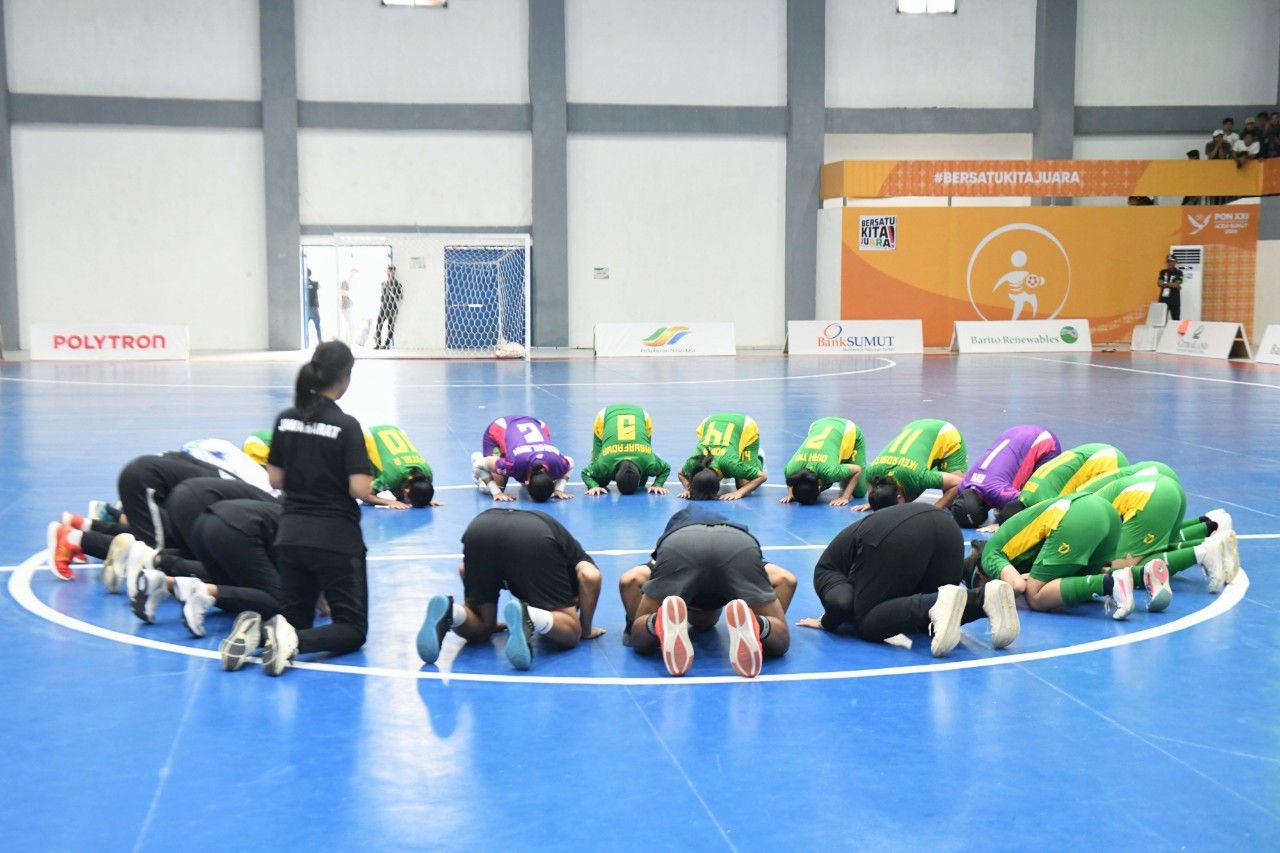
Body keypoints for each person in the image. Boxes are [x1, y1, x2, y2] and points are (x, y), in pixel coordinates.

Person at [217, 341, 372, 676]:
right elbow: (359, 489)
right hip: (335, 539)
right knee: (352, 629)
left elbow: (275, 478)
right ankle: (294, 642)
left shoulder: (285, 419)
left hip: (289, 536)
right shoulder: (346, 426)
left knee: (294, 619)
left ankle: (258, 633)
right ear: (345, 377)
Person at [797, 498, 1019, 657]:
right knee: (932, 618)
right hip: (946, 527)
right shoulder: (853, 558)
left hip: (899, 536)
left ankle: (939, 601)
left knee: (868, 622)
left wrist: (826, 622)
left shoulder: (825, 569)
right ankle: (984, 598)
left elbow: (841, 602)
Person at [415, 508, 604, 670]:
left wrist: (478, 601)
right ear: (577, 597)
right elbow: (591, 576)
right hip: (532, 536)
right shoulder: (573, 562)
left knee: (483, 629)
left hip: (481, 527)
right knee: (571, 633)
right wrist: (585, 629)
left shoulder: (559, 560)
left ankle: (452, 613)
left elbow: (464, 569)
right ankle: (530, 617)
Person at [621, 505, 794, 678]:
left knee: (640, 641)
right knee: (779, 644)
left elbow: (630, 580)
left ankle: (657, 621)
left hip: (681, 544)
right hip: (738, 542)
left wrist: (633, 626)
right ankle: (758, 624)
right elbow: (786, 579)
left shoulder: (669, 548)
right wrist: (770, 618)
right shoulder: (732, 542)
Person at [128, 498, 286, 641]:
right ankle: (203, 591)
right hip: (235, 530)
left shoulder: (286, 511)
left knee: (236, 588)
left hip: (205, 521)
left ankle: (165, 583)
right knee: (281, 603)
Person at [978, 492, 1136, 619]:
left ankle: (1111, 583)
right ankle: (1141, 574)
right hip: (1105, 510)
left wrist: (988, 602)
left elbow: (1017, 585)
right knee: (1072, 582)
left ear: (979, 574)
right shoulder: (1007, 545)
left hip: (1079, 517)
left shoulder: (989, 555)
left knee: (1035, 596)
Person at [244, 424, 439, 508]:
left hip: (391, 432)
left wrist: (420, 499)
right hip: (257, 448)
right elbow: (363, 495)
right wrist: (390, 502)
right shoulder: (393, 475)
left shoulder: (425, 473)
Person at [951, 424, 1060, 528]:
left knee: (1040, 493)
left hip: (1045, 441)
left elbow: (1030, 500)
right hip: (1015, 432)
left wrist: (1000, 524)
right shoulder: (963, 485)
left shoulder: (997, 492)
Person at [994, 442, 1128, 523]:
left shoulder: (1041, 504)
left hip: (1106, 462)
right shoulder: (1027, 494)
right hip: (1099, 453)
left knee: (1094, 508)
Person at [851, 418, 967, 511]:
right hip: (914, 427)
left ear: (899, 497)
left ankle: (940, 474)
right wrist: (874, 502)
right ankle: (939, 473)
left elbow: (959, 482)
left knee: (954, 502)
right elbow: (868, 476)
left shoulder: (918, 477)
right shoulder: (874, 471)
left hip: (945, 433)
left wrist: (935, 509)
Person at [472, 415, 574, 502]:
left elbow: (571, 462)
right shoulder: (512, 465)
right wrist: (496, 492)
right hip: (501, 427)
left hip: (538, 425)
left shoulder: (557, 464)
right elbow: (478, 466)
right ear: (527, 482)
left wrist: (558, 489)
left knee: (540, 485)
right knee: (495, 487)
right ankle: (477, 457)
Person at [581, 404, 671, 496]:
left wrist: (658, 484)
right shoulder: (605, 463)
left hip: (642, 416)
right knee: (601, 481)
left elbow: (666, 468)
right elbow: (585, 473)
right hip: (605, 417)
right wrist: (594, 486)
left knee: (642, 483)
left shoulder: (648, 461)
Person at [677, 412, 767, 500]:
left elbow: (762, 476)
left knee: (743, 484)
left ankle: (759, 459)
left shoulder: (730, 464)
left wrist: (739, 492)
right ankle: (735, 464)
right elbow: (680, 473)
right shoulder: (693, 462)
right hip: (708, 422)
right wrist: (689, 489)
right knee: (732, 466)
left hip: (745, 425)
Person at [780, 417, 867, 507]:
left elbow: (857, 470)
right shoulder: (791, 470)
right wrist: (791, 494)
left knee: (859, 492)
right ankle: (841, 466)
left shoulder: (830, 472)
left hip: (847, 429)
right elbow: (789, 478)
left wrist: (845, 497)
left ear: (819, 485)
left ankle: (846, 466)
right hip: (818, 425)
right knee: (830, 474)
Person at [374, 265, 403, 350]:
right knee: (379, 325)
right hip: (383, 307)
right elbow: (382, 294)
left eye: (392, 271)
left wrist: (395, 295)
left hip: (392, 308)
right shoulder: (383, 283)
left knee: (390, 327)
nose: (390, 273)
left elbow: (400, 297)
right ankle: (378, 344)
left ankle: (387, 345)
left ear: (394, 272)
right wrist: (386, 285)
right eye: (389, 271)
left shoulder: (397, 284)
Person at [1156, 255, 1183, 322]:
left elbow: (1176, 284)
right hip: (1163, 299)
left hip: (1175, 300)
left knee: (1176, 320)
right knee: (1161, 320)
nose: (1170, 263)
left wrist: (1165, 284)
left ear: (1175, 262)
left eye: (1172, 261)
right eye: (1168, 261)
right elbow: (1159, 283)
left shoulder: (1179, 272)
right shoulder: (1162, 272)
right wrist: (1172, 285)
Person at [304, 268, 322, 346]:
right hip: (311, 307)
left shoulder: (314, 284)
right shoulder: (313, 284)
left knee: (309, 327)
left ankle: (319, 342)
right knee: (317, 326)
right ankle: (320, 342)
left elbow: (318, 286)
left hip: (309, 307)